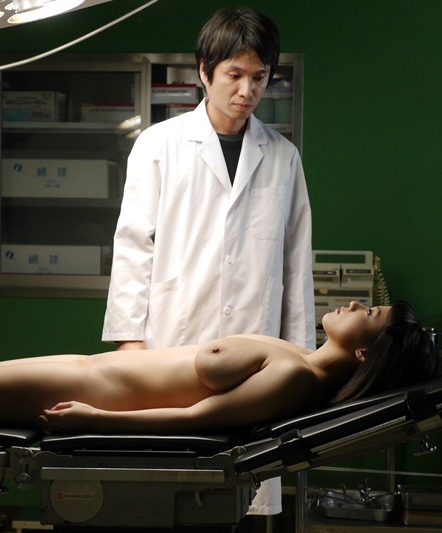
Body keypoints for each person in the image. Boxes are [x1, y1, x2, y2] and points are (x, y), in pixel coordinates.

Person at [0, 302, 442, 433]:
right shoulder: (297, 354)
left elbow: (200, 419)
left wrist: (94, 422)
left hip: (95, 395)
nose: (357, 303)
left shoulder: (298, 378)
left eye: (371, 313)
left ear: (366, 353)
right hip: (94, 371)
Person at [102, 7, 315, 352]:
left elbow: (296, 262)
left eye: (259, 77)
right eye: (235, 75)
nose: (247, 90)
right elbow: (134, 245)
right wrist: (130, 340)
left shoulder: (284, 156)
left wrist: (301, 354)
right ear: (205, 70)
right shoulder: (158, 144)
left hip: (256, 341)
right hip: (174, 337)